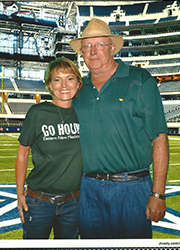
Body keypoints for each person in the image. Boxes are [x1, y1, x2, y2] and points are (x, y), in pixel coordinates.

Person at [70, 18, 169, 239]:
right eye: (87, 46)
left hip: (132, 187)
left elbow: (159, 138)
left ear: (112, 47)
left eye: (100, 45)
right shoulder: (78, 89)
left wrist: (158, 193)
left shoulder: (139, 80)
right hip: (87, 189)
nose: (92, 51)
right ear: (82, 52)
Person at [15, 57, 83, 239]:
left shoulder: (84, 112)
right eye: (57, 79)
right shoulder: (37, 113)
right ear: (50, 85)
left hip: (74, 202)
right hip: (39, 201)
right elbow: (22, 154)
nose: (64, 85)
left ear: (78, 83)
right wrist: (19, 193)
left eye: (70, 78)